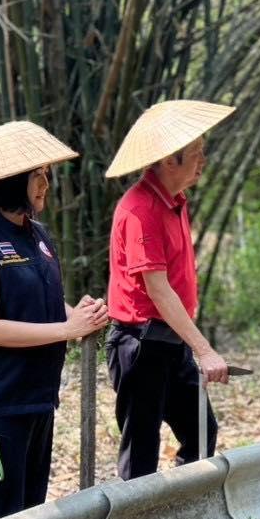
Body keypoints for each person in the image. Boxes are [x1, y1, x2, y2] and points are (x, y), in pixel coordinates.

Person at [0, 122, 109, 519]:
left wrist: (80, 316)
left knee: (29, 516)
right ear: (10, 180)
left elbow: (48, 304)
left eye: (47, 175)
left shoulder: (37, 235)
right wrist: (65, 331)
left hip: (38, 397)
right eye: (38, 175)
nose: (46, 184)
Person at [104, 99, 235, 482]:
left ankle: (178, 515)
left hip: (172, 340)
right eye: (195, 154)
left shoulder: (176, 202)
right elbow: (158, 291)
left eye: (202, 152)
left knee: (201, 432)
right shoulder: (140, 209)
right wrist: (205, 349)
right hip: (141, 343)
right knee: (141, 448)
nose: (202, 162)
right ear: (166, 161)